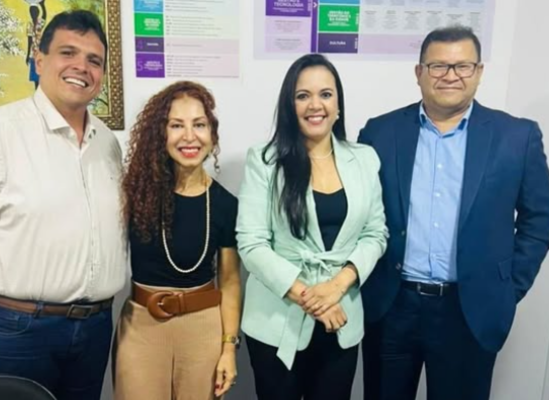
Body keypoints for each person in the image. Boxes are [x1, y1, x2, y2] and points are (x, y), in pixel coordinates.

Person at [359, 25, 549, 400]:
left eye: (462, 66)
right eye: (438, 66)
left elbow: (539, 219)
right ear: (419, 72)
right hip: (392, 305)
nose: (450, 75)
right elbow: (362, 213)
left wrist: (507, 288)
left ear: (478, 72)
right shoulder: (380, 132)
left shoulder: (517, 137)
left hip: (469, 308)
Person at [0, 10, 126, 400]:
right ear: (39, 59)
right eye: (68, 53)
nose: (81, 67)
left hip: (95, 326)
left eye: (94, 60)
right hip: (19, 329)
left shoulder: (107, 143)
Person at [236, 53, 388, 400]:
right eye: (302, 95)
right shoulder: (265, 160)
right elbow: (252, 244)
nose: (315, 105)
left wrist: (336, 286)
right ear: (289, 106)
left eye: (326, 94)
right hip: (277, 321)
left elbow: (376, 233)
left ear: (338, 105)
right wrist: (313, 299)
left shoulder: (364, 159)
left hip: (341, 319)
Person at [114, 81, 241, 400]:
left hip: (204, 329)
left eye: (199, 124)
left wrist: (229, 348)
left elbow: (229, 281)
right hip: (141, 329)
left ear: (212, 133)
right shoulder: (135, 195)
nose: (189, 136)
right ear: (160, 134)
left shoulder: (225, 204)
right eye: (176, 125)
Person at [25, 0, 47, 88]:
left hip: (41, 52)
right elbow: (29, 41)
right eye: (32, 12)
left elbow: (44, 15)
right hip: (33, 54)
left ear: (37, 13)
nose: (33, 14)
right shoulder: (30, 25)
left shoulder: (39, 24)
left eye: (34, 12)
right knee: (35, 76)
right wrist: (27, 55)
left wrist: (43, 5)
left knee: (41, 75)